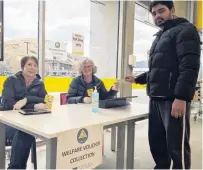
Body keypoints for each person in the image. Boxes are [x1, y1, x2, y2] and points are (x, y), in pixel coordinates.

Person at [125, 1, 201, 169]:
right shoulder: (161, 36)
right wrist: (137, 79)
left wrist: (181, 97)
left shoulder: (186, 30)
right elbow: (159, 69)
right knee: (157, 142)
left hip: (173, 100)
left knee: (176, 146)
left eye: (161, 11)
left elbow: (189, 67)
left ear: (172, 10)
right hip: (156, 98)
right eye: (154, 13)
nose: (157, 16)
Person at [1, 56, 48, 169]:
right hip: (8, 123)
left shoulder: (39, 84)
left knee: (27, 130)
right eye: (29, 64)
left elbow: (45, 100)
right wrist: (34, 105)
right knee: (25, 132)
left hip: (29, 122)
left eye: (35, 65)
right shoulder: (11, 80)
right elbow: (8, 104)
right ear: (22, 67)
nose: (32, 68)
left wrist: (26, 100)